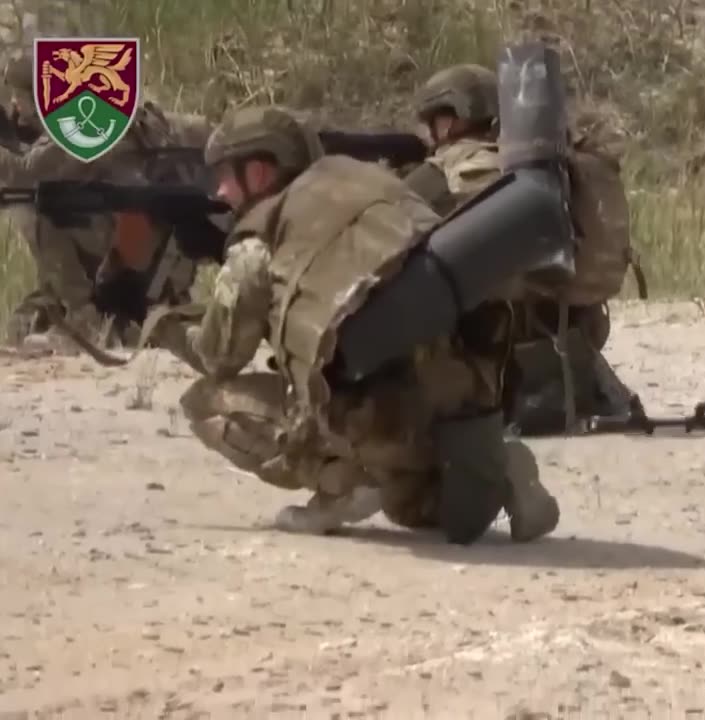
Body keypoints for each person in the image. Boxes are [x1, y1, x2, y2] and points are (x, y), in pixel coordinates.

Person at [148, 104, 559, 542]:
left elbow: (220, 356)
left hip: (377, 416)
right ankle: (501, 475)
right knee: (407, 506)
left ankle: (337, 483)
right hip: (465, 402)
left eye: (226, 175)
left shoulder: (259, 244)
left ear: (261, 172)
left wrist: (163, 322)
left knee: (206, 400)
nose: (221, 191)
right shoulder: (373, 184)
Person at [405, 63, 639, 435]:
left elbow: (388, 234)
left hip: (495, 370)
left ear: (448, 121)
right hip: (573, 352)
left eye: (434, 123)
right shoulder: (551, 165)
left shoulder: (447, 172)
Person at [0, 51, 211, 351]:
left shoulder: (79, 126)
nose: (14, 106)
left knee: (36, 208)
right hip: (158, 241)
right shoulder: (110, 109)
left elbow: (27, 172)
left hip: (133, 240)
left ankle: (84, 318)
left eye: (18, 97)